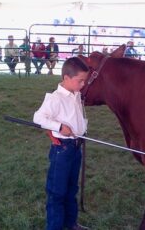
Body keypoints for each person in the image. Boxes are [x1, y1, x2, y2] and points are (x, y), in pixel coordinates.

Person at [33, 57, 90, 230]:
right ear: (66, 78)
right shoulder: (55, 98)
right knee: (57, 192)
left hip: (76, 148)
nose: (82, 85)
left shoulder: (76, 94)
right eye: (80, 81)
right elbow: (38, 118)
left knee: (72, 188)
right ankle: (55, 226)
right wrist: (58, 126)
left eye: (84, 81)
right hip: (62, 150)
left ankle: (70, 223)